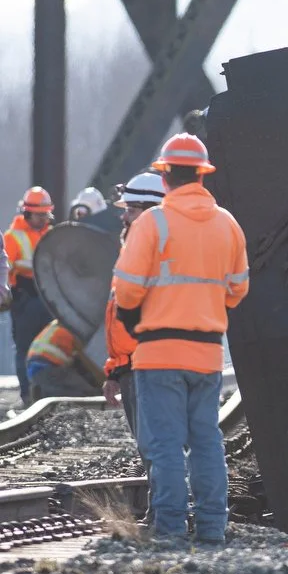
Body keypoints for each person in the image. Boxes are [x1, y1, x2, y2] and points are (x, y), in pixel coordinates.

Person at [113, 134, 249, 546]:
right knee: (207, 439)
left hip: (158, 353)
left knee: (165, 444)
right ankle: (211, 527)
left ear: (166, 175)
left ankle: (170, 527)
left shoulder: (153, 223)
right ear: (202, 175)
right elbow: (237, 290)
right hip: (207, 354)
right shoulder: (228, 224)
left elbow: (128, 291)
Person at [103, 171, 167, 436]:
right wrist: (114, 371)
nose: (123, 216)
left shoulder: (155, 250)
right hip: (133, 365)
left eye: (130, 209)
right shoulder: (134, 249)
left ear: (150, 210)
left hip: (148, 366)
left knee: (157, 447)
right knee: (153, 448)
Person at [4, 187, 55, 406]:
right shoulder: (12, 237)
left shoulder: (52, 235)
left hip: (49, 302)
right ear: (27, 213)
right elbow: (5, 269)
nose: (43, 218)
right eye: (39, 214)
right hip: (24, 301)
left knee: (49, 349)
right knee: (25, 349)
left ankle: (46, 394)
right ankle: (28, 396)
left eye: (46, 214)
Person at [26, 319, 99, 401]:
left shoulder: (55, 325)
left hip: (33, 367)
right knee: (86, 392)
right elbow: (89, 363)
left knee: (55, 388)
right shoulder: (75, 331)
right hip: (48, 366)